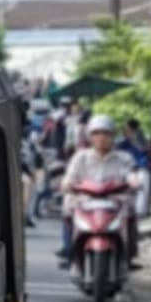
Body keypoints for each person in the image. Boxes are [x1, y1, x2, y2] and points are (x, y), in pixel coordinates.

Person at [58, 113, 141, 266]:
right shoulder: (81, 157)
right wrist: (66, 184)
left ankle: (129, 254)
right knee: (68, 207)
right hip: (85, 199)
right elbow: (70, 176)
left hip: (114, 200)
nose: (101, 137)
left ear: (113, 136)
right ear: (90, 136)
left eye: (106, 133)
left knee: (131, 209)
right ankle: (68, 251)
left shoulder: (124, 158)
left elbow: (131, 174)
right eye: (96, 133)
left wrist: (134, 181)